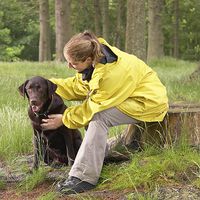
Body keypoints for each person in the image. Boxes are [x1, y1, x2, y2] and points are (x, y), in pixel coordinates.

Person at [41, 30, 168, 194]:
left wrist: (64, 118)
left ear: (87, 59)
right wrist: (49, 85)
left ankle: (84, 178)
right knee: (95, 115)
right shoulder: (96, 59)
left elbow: (91, 108)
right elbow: (80, 85)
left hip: (149, 102)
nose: (69, 66)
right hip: (132, 94)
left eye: (73, 63)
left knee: (99, 117)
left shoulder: (110, 75)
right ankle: (98, 155)